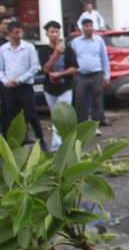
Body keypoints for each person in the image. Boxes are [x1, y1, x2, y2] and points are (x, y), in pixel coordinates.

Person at [0, 21, 46, 149]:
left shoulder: (29, 48)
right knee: (9, 116)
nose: (18, 35)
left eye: (20, 32)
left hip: (24, 86)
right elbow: (1, 69)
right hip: (8, 87)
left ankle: (41, 139)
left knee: (31, 114)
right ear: (9, 34)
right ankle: (8, 143)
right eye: (15, 33)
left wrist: (19, 80)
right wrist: (6, 81)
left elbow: (34, 67)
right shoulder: (3, 49)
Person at [39, 20, 78, 151]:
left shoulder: (68, 49)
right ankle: (60, 145)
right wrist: (56, 54)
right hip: (50, 89)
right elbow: (45, 69)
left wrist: (61, 74)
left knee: (63, 116)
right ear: (46, 34)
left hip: (65, 87)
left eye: (57, 31)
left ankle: (59, 146)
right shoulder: (44, 50)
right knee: (55, 117)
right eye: (52, 32)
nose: (55, 34)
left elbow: (74, 68)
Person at [71, 18, 111, 126]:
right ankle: (82, 125)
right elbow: (72, 58)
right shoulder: (76, 42)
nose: (88, 28)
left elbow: (104, 58)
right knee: (80, 101)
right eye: (86, 26)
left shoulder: (99, 40)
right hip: (80, 76)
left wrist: (107, 75)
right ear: (82, 28)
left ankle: (95, 124)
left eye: (90, 25)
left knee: (97, 101)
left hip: (96, 75)